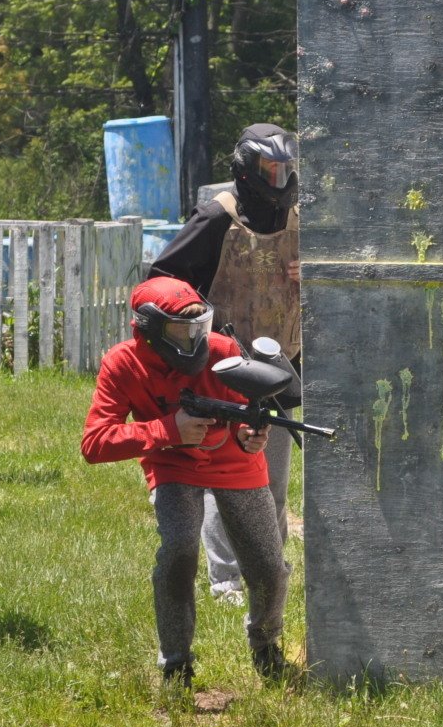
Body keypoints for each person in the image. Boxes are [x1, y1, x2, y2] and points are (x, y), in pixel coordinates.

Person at [80, 275, 289, 687]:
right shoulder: (123, 363)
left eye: (200, 327)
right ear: (149, 329)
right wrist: (167, 431)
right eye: (181, 331)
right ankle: (176, 663)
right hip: (172, 464)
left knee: (269, 567)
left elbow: (247, 418)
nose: (195, 340)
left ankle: (265, 646)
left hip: (236, 464)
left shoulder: (224, 351)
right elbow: (94, 443)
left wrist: (250, 437)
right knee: (178, 553)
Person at [150, 124, 299, 604]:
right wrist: (198, 321)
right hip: (224, 366)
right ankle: (226, 580)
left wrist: (311, 273)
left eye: (285, 169)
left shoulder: (301, 219)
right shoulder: (218, 216)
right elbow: (163, 278)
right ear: (247, 168)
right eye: (270, 169)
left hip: (283, 363)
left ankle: (270, 570)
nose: (279, 180)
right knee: (225, 476)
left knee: (270, 479)